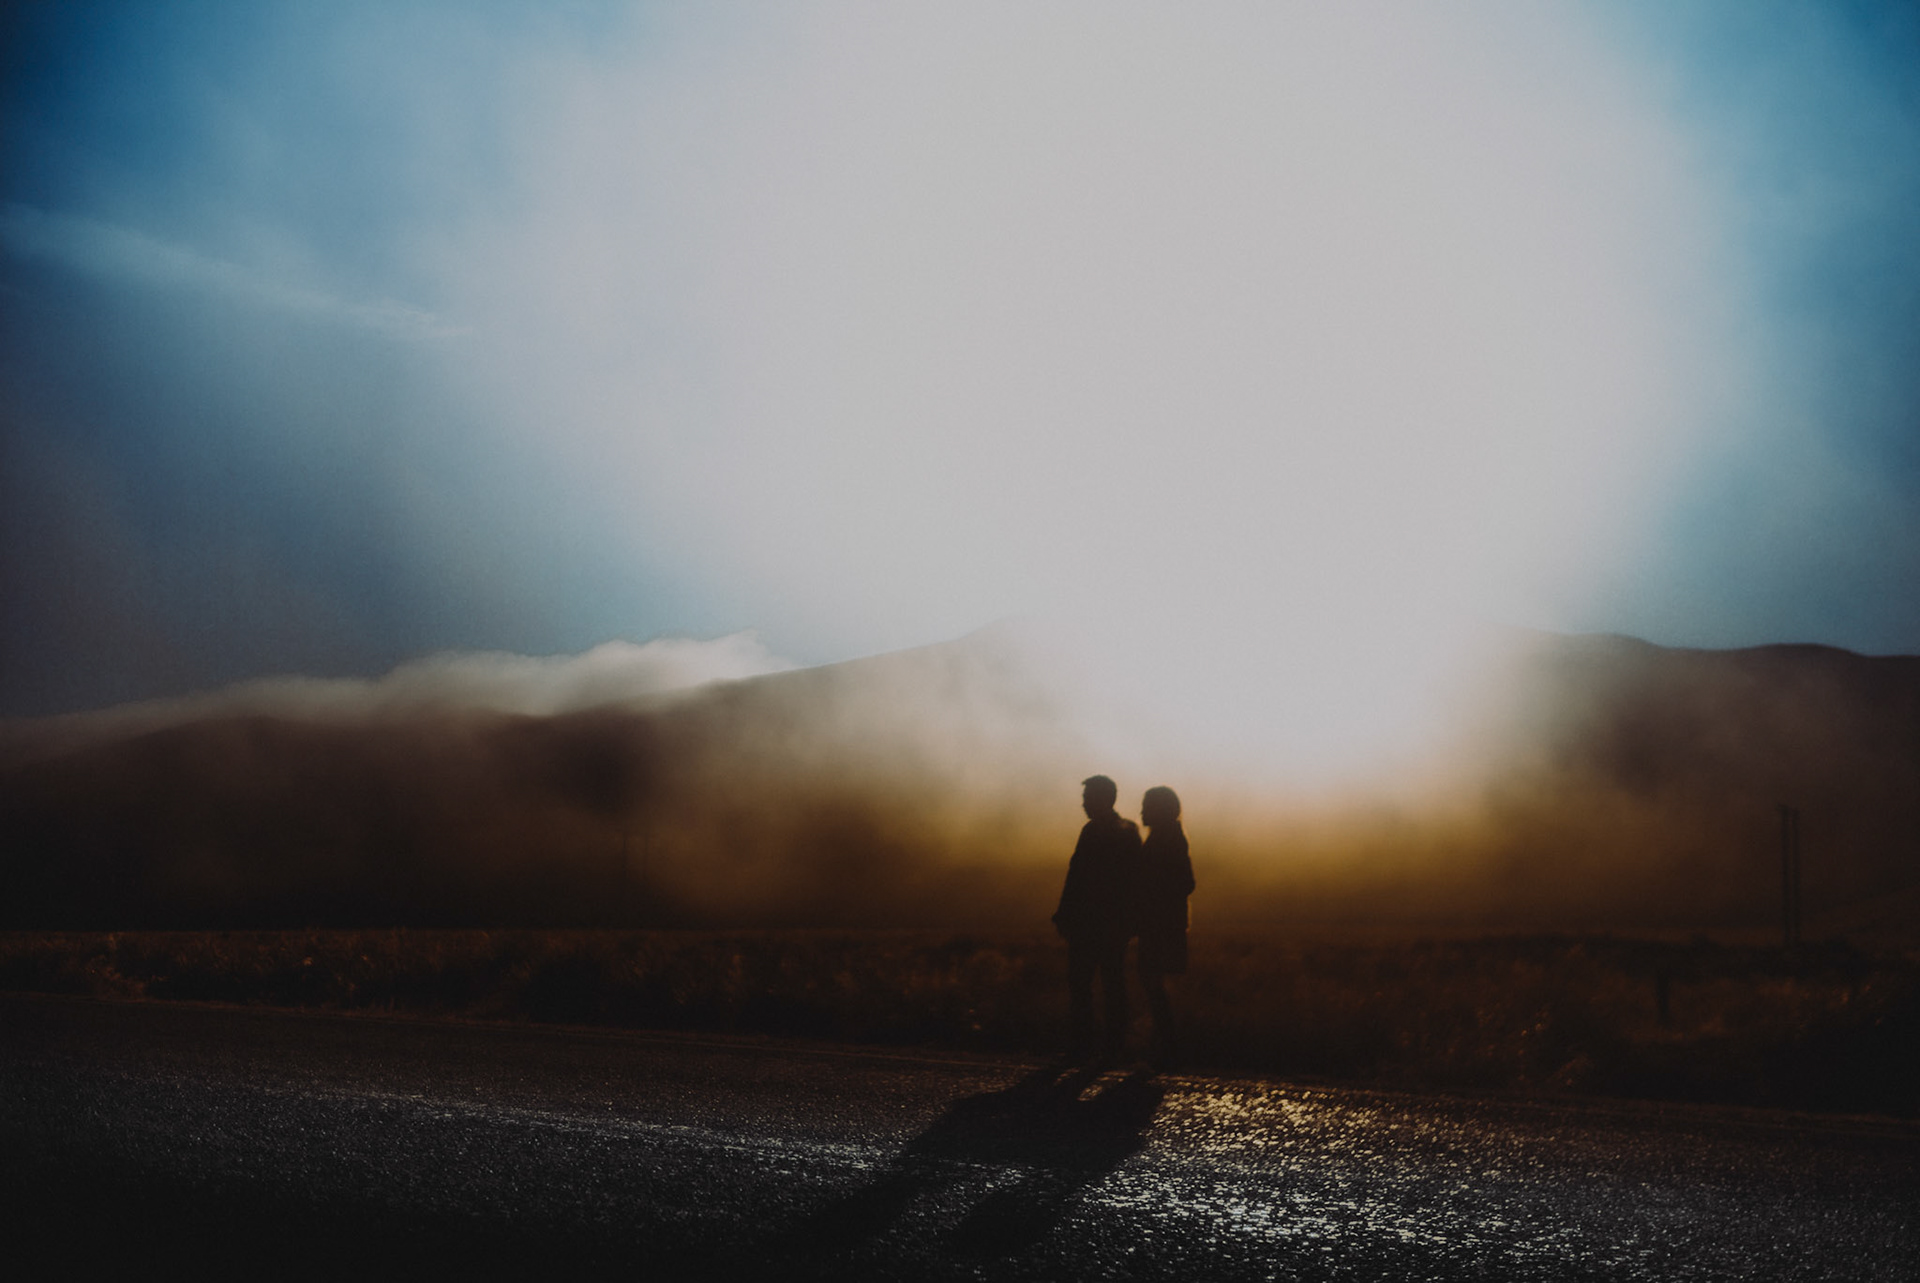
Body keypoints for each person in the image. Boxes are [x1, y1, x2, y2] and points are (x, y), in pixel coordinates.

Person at [1052, 774, 1141, 1063]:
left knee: (1088, 984)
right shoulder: (1122, 830)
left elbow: (1077, 877)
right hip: (1101, 923)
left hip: (1096, 923)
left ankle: (1089, 1046)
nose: (1084, 804)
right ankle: (1107, 1046)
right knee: (1105, 983)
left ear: (1105, 799)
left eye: (1088, 798)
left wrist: (1066, 913)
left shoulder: (1104, 832)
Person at [1135, 785, 1194, 1068]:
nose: (1142, 811)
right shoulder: (1169, 835)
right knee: (1153, 981)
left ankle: (1167, 1047)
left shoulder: (1166, 838)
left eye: (1147, 805)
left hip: (1160, 924)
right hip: (1162, 922)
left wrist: (1152, 896)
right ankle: (1164, 1045)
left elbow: (1185, 882)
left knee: (1152, 981)